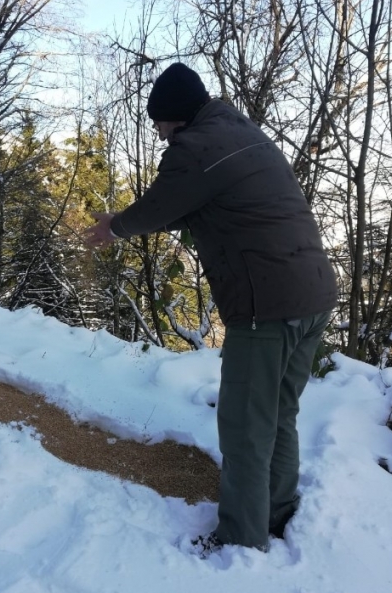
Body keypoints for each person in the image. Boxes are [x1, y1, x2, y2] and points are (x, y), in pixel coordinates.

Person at [84, 62, 338, 554]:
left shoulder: (195, 150)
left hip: (268, 306)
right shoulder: (241, 132)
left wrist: (112, 227)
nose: (157, 132)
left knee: (245, 425)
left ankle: (242, 540)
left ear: (174, 116)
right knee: (278, 412)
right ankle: (278, 511)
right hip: (313, 296)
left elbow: (163, 204)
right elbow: (193, 204)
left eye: (157, 122)